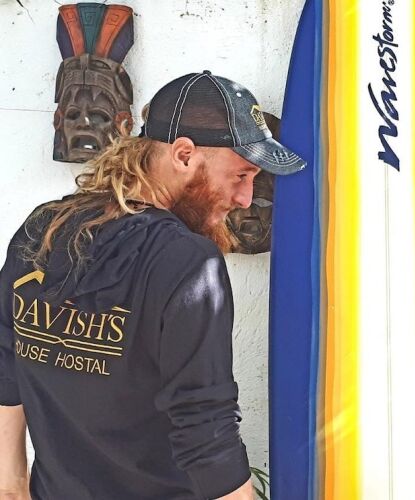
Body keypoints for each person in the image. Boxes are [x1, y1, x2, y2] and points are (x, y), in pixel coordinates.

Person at [0, 70, 305, 499]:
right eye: (241, 175)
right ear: (184, 155)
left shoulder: (44, 227)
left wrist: (11, 486)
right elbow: (205, 430)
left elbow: (6, 366)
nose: (244, 199)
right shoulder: (186, 261)